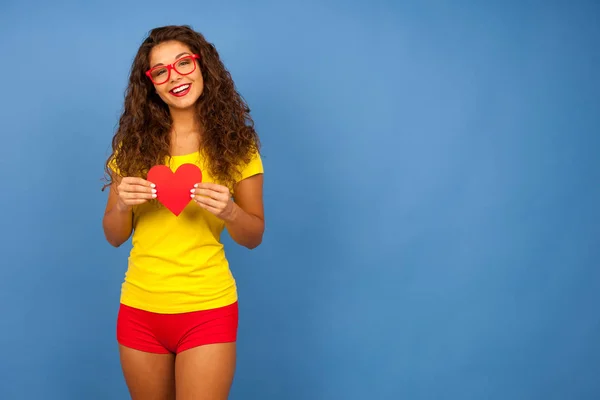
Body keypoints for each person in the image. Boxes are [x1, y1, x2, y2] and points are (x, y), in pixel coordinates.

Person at [101, 25, 264, 400]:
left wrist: (231, 211)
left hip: (208, 308)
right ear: (151, 85)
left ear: (203, 65)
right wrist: (122, 204)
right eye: (160, 71)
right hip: (140, 309)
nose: (174, 76)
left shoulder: (238, 146)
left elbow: (253, 236)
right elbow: (113, 235)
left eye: (183, 63)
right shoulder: (132, 147)